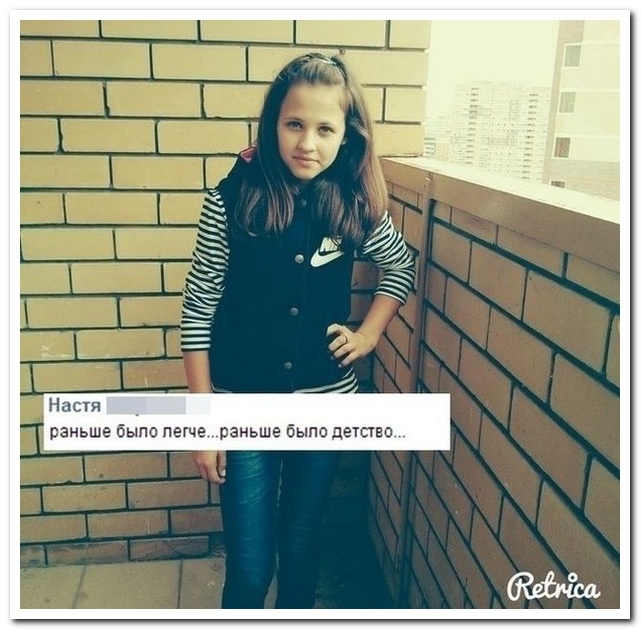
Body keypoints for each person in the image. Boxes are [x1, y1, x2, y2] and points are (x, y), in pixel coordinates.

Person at [180, 52, 415, 609]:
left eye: (324, 129)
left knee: (303, 547)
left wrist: (369, 334)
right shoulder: (230, 199)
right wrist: (203, 421)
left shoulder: (354, 203)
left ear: (346, 135)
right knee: (250, 568)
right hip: (242, 407)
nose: (307, 143)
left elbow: (399, 266)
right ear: (272, 125)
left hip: (325, 404)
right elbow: (197, 309)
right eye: (294, 124)